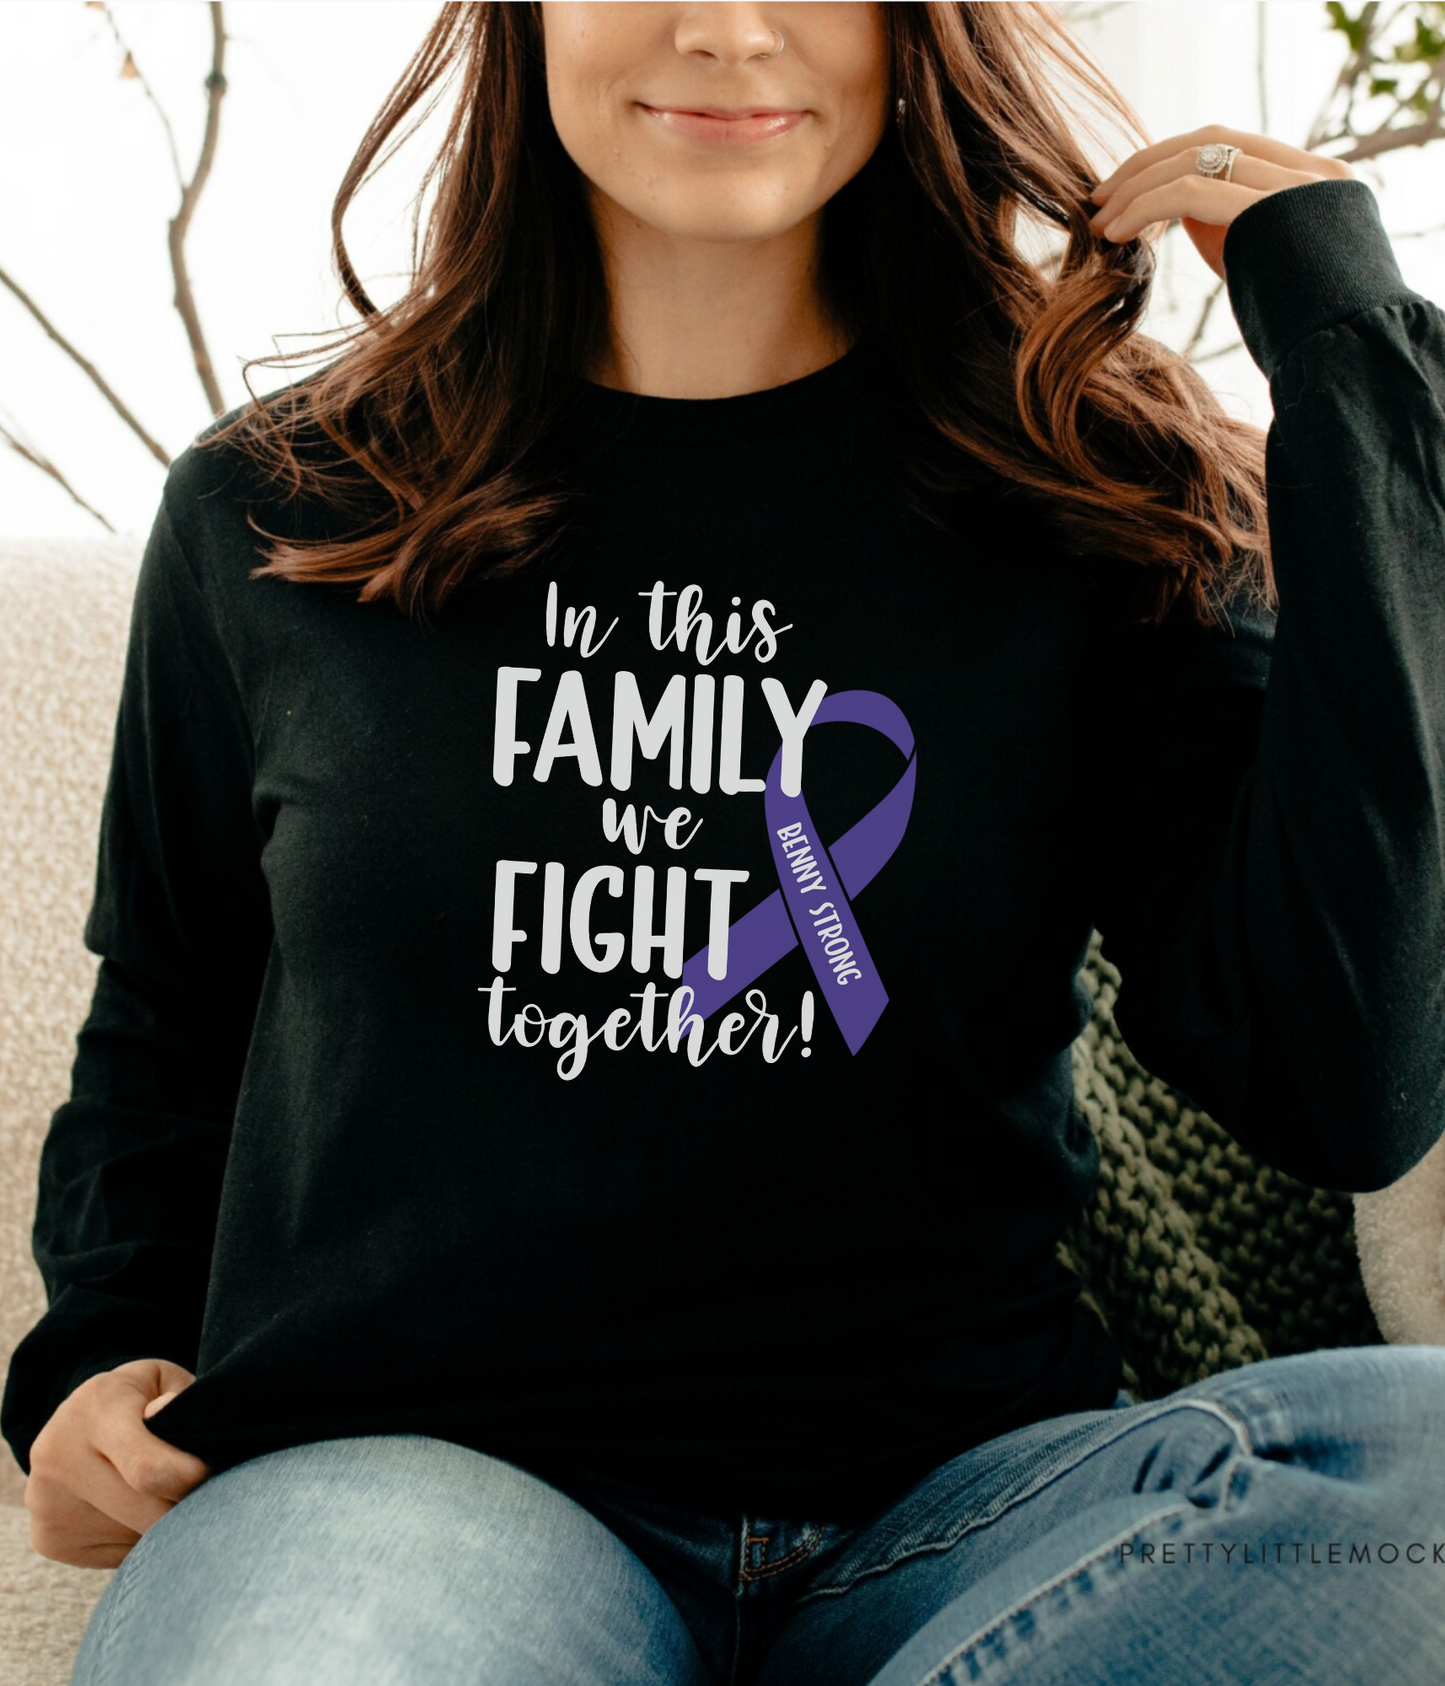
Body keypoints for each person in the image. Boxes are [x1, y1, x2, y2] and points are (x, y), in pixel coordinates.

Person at [5, 3, 1445, 1682]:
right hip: (420, 1496)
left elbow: (1352, 1074)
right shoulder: (288, 509)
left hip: (969, 1528)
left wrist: (1351, 344)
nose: (727, 29)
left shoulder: (1089, 503)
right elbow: (173, 1015)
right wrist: (88, 1359)